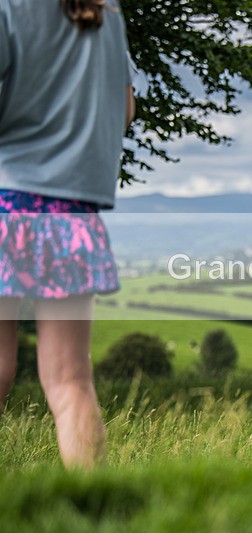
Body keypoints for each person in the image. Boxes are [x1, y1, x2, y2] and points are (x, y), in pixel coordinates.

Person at [0, 0, 135, 468]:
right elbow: (124, 110)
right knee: (71, 381)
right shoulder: (108, 10)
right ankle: (92, 505)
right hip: (74, 217)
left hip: (6, 204)